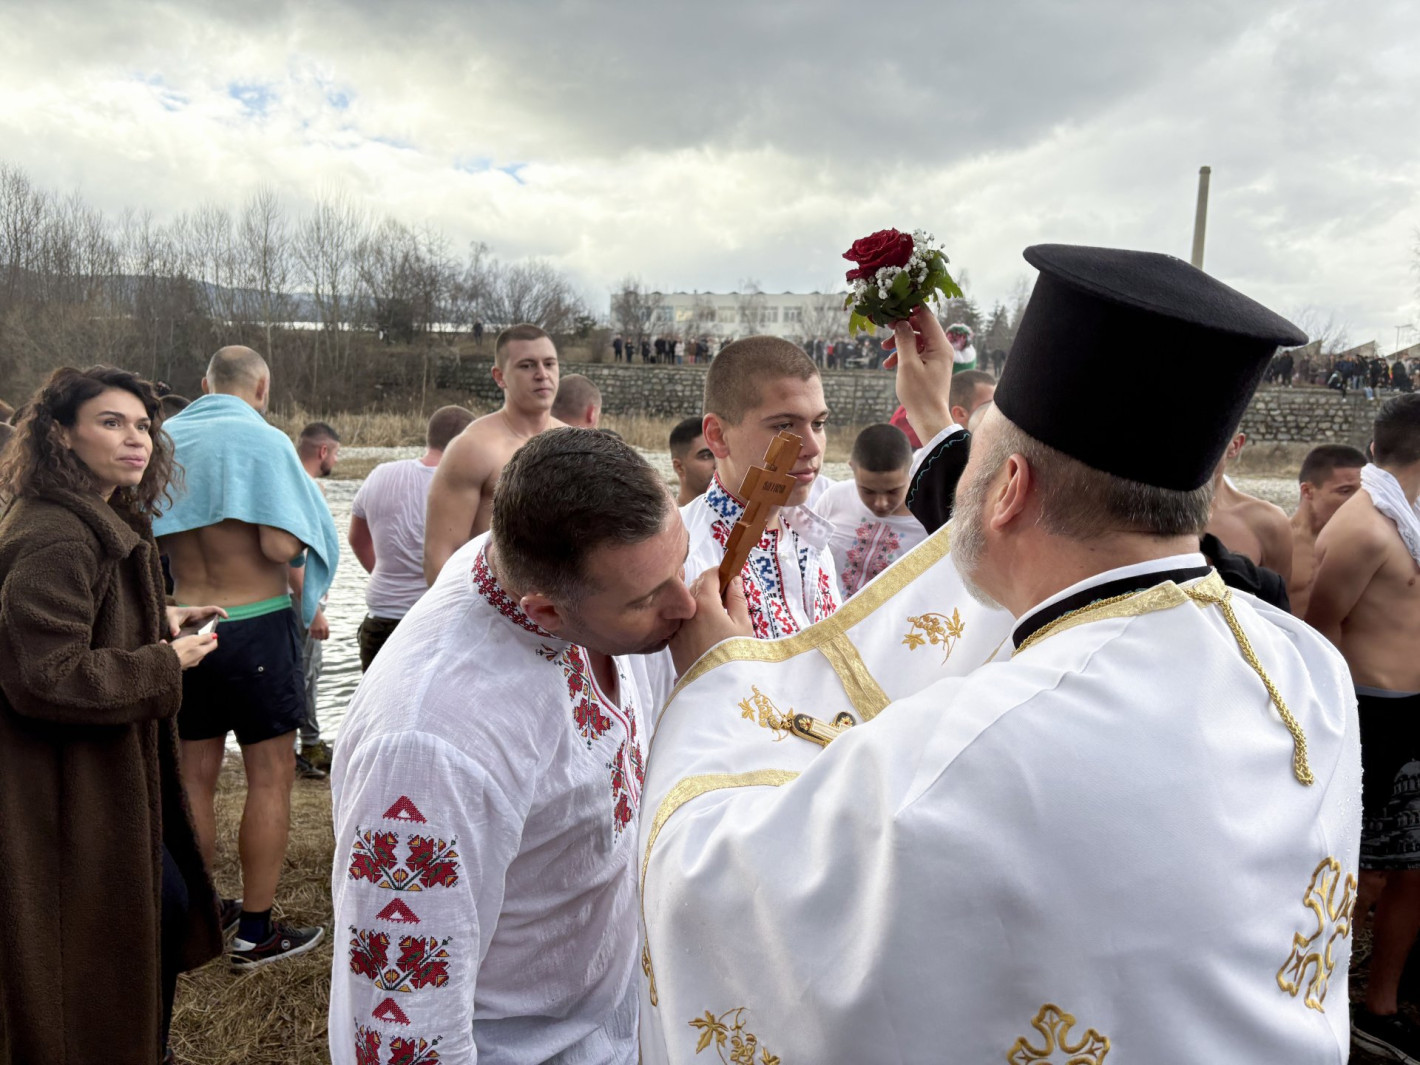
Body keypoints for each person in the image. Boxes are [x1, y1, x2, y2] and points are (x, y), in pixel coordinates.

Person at [640, 245, 1357, 1063]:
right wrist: (944, 415)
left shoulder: (958, 758)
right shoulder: (1306, 669)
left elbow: (709, 877)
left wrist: (718, 683)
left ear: (1009, 486)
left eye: (973, 449)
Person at [330, 429, 693, 1064]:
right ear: (545, 613)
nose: (685, 604)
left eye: (680, 563)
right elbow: (401, 1032)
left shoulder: (535, 559)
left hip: (614, 1028)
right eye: (645, 599)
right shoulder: (432, 745)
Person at [0, 366, 225, 1064]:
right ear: (60, 434)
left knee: (152, 914)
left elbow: (74, 625)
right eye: (111, 422)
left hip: (94, 777)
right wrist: (168, 662)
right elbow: (46, 674)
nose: (136, 440)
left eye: (143, 426)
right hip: (63, 788)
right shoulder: (59, 535)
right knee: (116, 931)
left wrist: (156, 619)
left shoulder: (94, 513)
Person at [155, 345, 339, 970]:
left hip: (186, 627)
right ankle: (256, 932)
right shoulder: (265, 442)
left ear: (204, 383)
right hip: (254, 627)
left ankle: (196, 922)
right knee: (269, 779)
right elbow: (279, 541)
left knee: (192, 779)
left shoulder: (165, 439)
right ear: (261, 387)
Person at [1305, 395, 1420, 1060]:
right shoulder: (1364, 529)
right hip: (1373, 714)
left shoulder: (1408, 521)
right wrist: (1344, 732)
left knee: (1412, 873)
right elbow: (1321, 630)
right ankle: (1323, 999)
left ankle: (1380, 1004)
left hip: (1413, 710)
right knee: (1362, 877)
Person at [685, 336, 838, 639]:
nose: (811, 448)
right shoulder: (686, 555)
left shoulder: (812, 538)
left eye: (818, 424)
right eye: (783, 426)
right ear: (717, 436)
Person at [423, 324, 564, 584]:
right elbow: (440, 555)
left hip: (561, 612)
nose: (542, 374)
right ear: (500, 377)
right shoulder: (473, 448)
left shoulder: (571, 443)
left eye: (549, 364)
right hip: (491, 608)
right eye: (527, 365)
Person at [348, 405, 475, 670]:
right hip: (432, 622)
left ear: (430, 436)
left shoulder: (380, 474)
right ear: (467, 443)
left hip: (380, 616)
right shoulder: (463, 486)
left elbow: (356, 539)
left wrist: (387, 576)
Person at [813, 423, 928, 598]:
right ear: (852, 468)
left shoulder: (929, 523)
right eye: (868, 491)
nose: (880, 503)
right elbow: (808, 554)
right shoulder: (834, 498)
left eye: (893, 491)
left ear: (911, 472)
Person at [291, 421, 340, 774]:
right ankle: (309, 746)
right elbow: (292, 556)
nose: (335, 460)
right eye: (335, 453)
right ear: (323, 451)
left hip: (301, 596)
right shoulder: (306, 489)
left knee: (306, 670)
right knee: (306, 672)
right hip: (300, 599)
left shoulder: (288, 482)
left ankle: (306, 741)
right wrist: (313, 610)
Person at [1203, 431, 1293, 583]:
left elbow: (1276, 604)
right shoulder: (1149, 514)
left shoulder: (1267, 523)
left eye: (1208, 440)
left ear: (1235, 445)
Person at [1287, 444, 1366, 617]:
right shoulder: (1279, 542)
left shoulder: (1367, 546)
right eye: (1345, 491)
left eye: (1363, 493)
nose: (1357, 501)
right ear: (1307, 491)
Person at [667, 414, 715, 506]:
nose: (718, 464)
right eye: (706, 456)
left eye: (719, 454)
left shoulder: (740, 515)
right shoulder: (668, 519)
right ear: (679, 467)